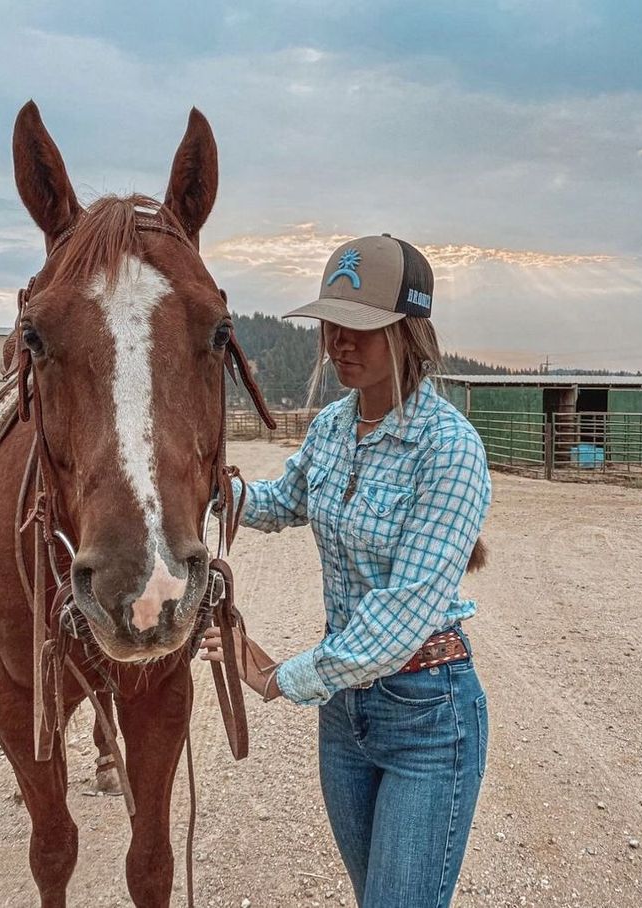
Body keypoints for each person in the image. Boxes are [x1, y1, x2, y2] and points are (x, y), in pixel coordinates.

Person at [200, 234, 491, 908]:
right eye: (332, 325)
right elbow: (280, 502)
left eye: (361, 328)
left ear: (409, 333)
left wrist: (278, 678)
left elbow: (396, 622)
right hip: (347, 717)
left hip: (429, 716)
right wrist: (202, 484)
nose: (340, 344)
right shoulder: (332, 427)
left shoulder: (449, 450)